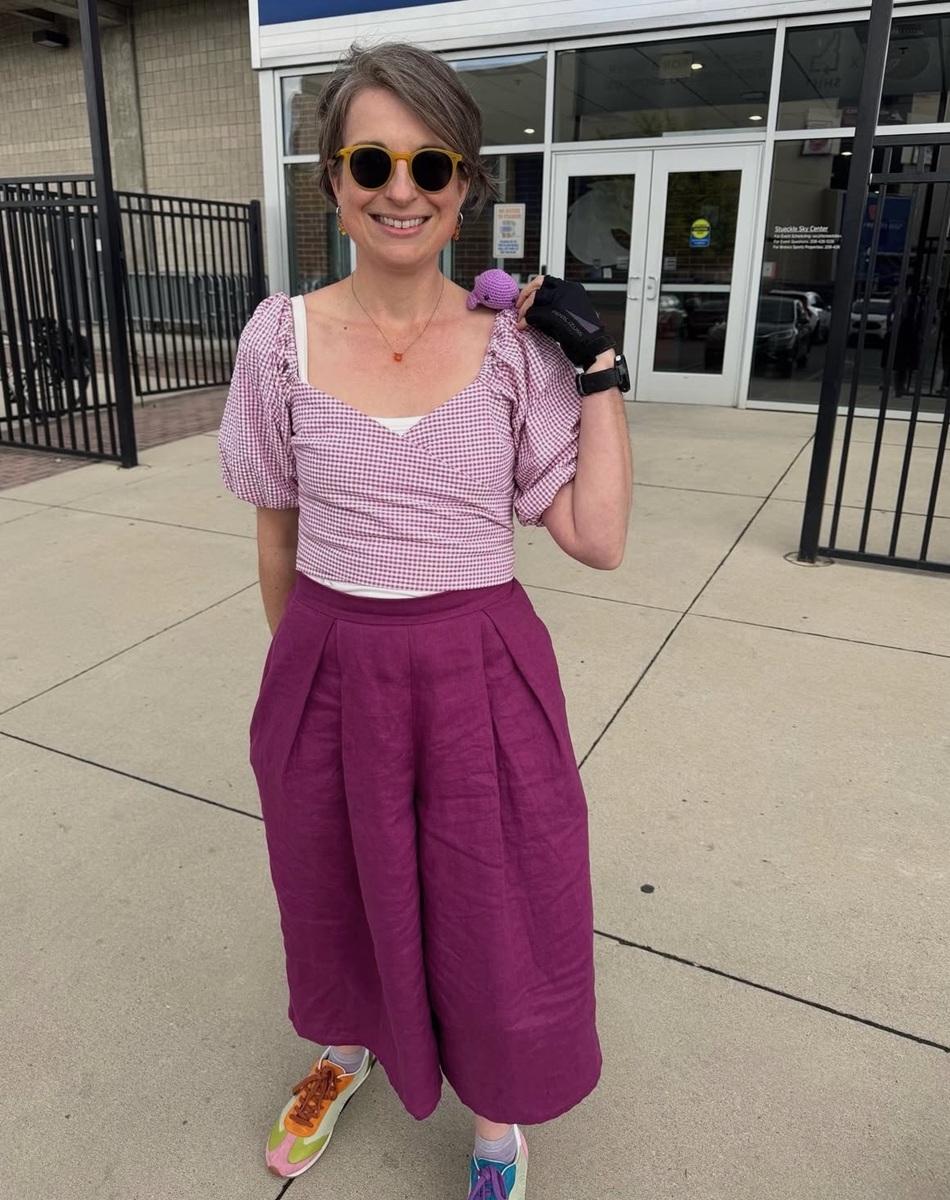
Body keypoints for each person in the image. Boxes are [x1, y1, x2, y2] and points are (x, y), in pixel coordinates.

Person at [219, 41, 632, 1200]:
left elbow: (595, 537)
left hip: (480, 662)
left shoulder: (515, 349)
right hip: (328, 657)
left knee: (493, 899)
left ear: (465, 184)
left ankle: (496, 1118)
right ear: (332, 181)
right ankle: (340, 1056)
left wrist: (596, 368)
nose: (400, 187)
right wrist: (298, 681)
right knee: (332, 885)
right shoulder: (277, 340)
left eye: (430, 161)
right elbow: (276, 533)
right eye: (370, 159)